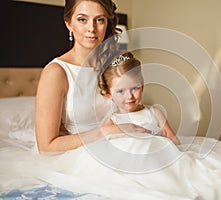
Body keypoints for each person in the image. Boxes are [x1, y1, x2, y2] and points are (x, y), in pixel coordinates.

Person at [35, 0, 150, 153]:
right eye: (82, 19)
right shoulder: (56, 72)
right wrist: (107, 131)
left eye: (99, 20)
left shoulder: (116, 64)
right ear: (69, 23)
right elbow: (46, 147)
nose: (92, 28)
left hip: (125, 145)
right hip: (80, 155)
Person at [98, 51, 181, 145]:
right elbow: (105, 146)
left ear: (142, 87)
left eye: (134, 88)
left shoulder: (154, 113)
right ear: (109, 94)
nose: (129, 96)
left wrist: (160, 139)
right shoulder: (113, 121)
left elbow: (175, 142)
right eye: (121, 91)